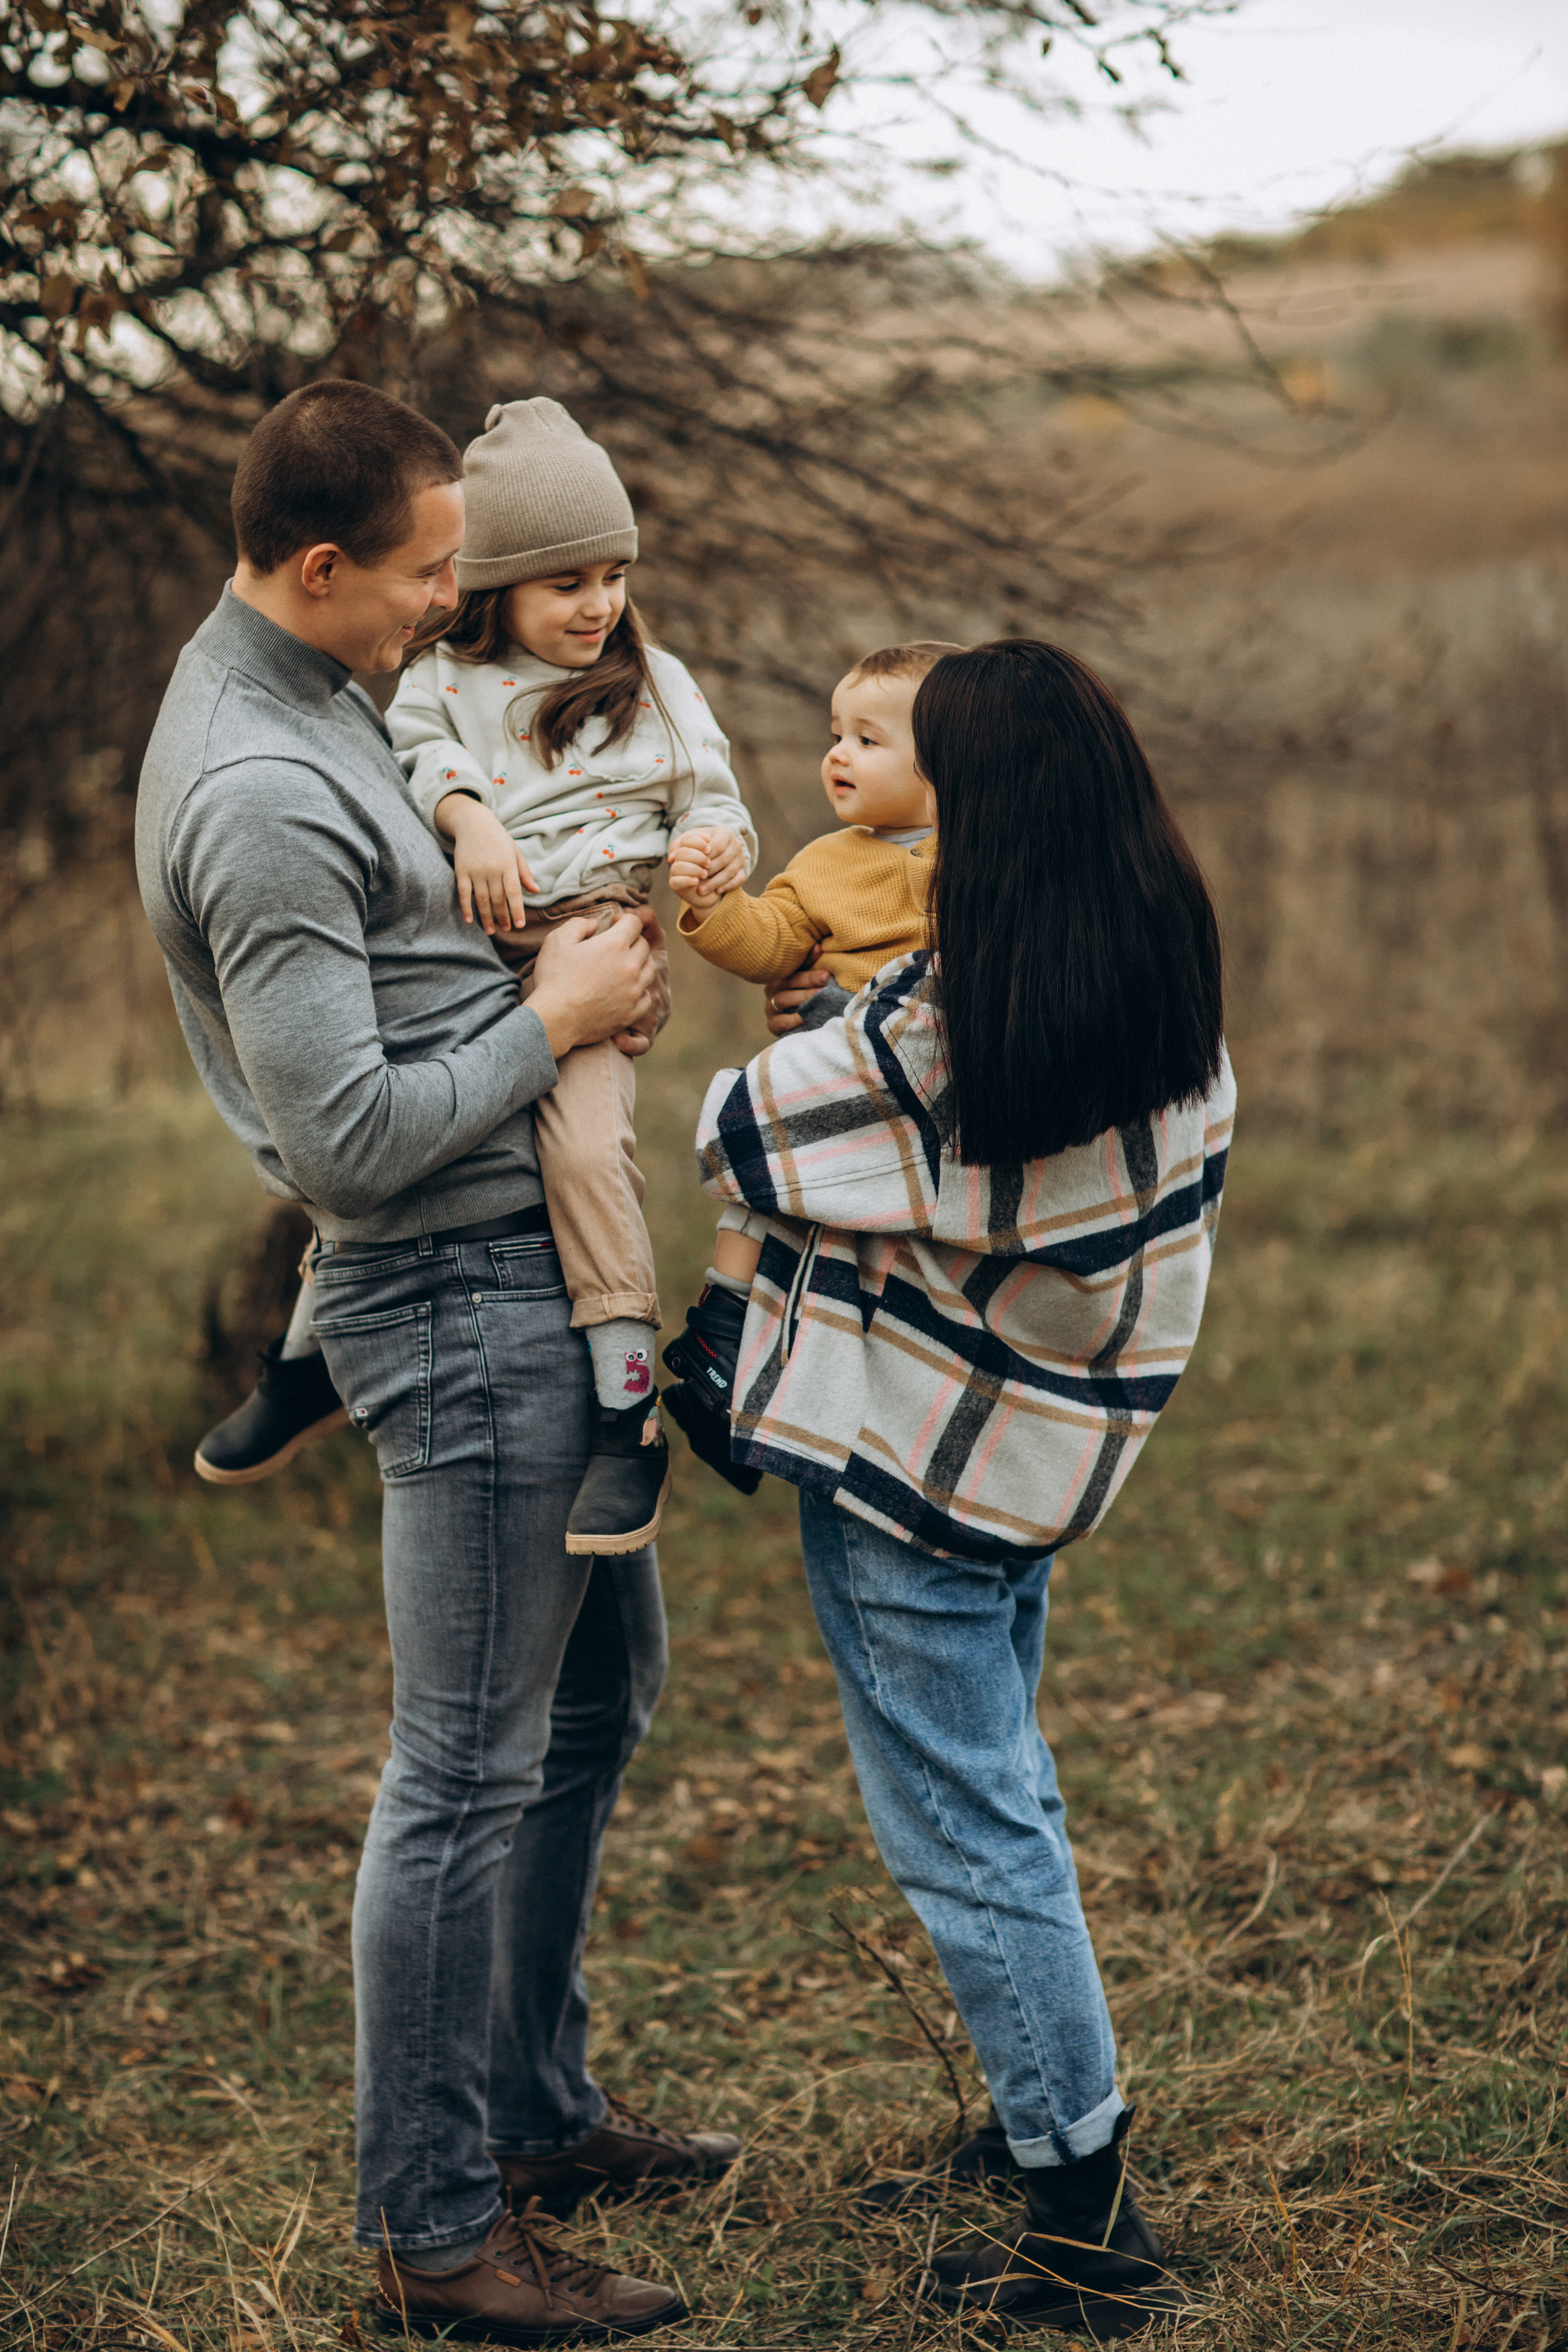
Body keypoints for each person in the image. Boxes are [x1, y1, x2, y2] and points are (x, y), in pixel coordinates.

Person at [137, 378, 739, 2345]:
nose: (443, 611)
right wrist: (559, 1002)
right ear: (322, 568)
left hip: (527, 1280)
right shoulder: (257, 789)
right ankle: (435, 2229)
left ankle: (536, 2103)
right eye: (420, 581)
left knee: (595, 1704)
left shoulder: (328, 699)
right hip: (460, 1298)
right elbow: (348, 1143)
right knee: (465, 1773)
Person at [690, 639, 1235, 2340]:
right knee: (1010, 1791)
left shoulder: (938, 1027)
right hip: (1038, 1459)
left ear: (979, 810)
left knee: (970, 1832)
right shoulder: (1156, 975)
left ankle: (1083, 2222)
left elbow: (745, 1132)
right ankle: (1042, 2116)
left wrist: (820, 1015)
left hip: (913, 1477)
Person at [194, 395, 756, 1557]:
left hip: (592, 939)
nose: (599, 605)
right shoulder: (441, 681)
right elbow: (419, 752)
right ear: (497, 589)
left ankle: (624, 1409)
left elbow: (714, 801)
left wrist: (712, 854)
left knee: (587, 1155)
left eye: (613, 576)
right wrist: (469, 820)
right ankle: (305, 1361)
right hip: (479, 933)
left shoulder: (659, 689)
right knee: (371, 1115)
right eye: (567, 584)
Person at [660, 641, 957, 1493]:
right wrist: (715, 905)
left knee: (821, 1231)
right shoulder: (829, 862)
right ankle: (724, 1332)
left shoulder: (979, 863)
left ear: (944, 767)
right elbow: (770, 940)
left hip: (915, 1097)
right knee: (767, 1187)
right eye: (837, 734)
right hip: (834, 1081)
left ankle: (735, 1354)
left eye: (869, 740)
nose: (838, 754)